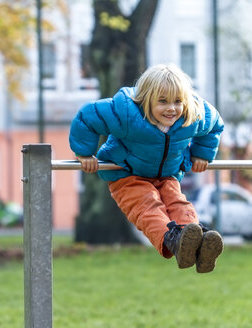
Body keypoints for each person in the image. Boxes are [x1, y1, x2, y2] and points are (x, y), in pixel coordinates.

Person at [69, 63, 224, 273]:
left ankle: (198, 244)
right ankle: (173, 240)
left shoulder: (192, 114)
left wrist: (201, 154)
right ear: (146, 99)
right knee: (147, 206)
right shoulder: (126, 113)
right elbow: (88, 117)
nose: (171, 108)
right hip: (126, 174)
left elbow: (215, 124)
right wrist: (85, 154)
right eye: (162, 101)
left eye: (178, 101)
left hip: (167, 175)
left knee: (178, 203)